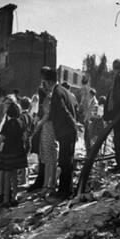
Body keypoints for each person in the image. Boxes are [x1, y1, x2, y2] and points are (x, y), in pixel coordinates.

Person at [43, 66, 78, 199]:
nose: (45, 85)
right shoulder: (64, 91)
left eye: (45, 82)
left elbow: (64, 111)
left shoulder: (57, 93)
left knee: (64, 162)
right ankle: (67, 189)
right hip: (69, 131)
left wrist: (73, 125)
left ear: (49, 81)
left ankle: (65, 191)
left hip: (66, 131)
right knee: (67, 161)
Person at [0, 101, 28, 207]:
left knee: (7, 175)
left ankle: (6, 199)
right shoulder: (21, 123)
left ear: (9, 113)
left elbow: (1, 139)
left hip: (7, 152)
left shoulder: (7, 124)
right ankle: (14, 196)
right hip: (18, 152)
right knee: (15, 175)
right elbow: (24, 138)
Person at [18, 97, 34, 186]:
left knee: (22, 161)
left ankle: (23, 179)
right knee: (26, 159)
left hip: (23, 140)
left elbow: (21, 129)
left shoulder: (21, 116)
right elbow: (33, 129)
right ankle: (25, 178)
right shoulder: (30, 116)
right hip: (29, 140)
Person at [83, 88, 99, 153]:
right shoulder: (91, 101)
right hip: (87, 120)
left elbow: (92, 113)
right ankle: (87, 150)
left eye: (89, 94)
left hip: (90, 122)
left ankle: (89, 151)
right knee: (86, 137)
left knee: (88, 137)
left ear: (91, 94)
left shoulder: (95, 102)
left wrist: (88, 120)